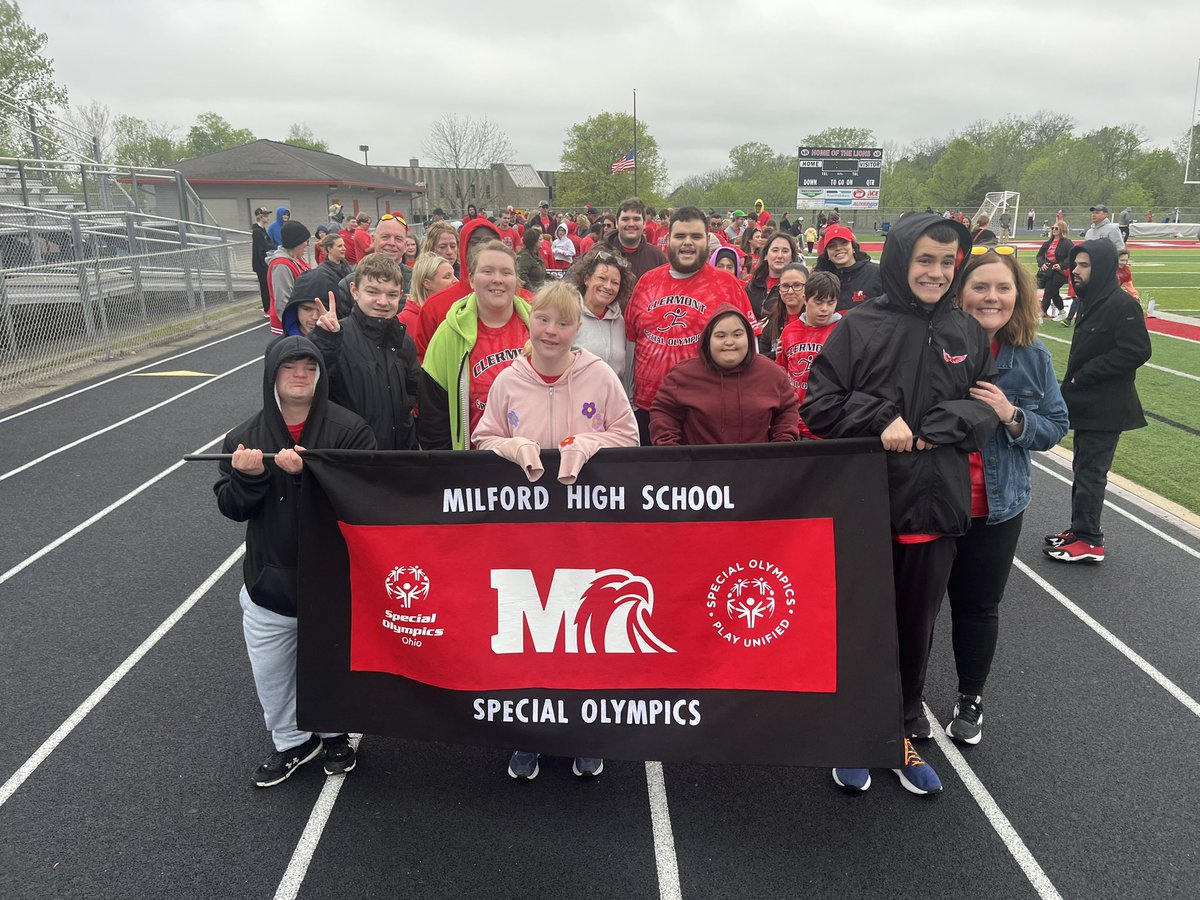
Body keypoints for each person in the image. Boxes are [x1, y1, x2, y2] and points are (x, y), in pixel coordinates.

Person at [803, 213, 998, 796]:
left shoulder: (968, 332)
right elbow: (818, 404)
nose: (937, 272)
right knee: (858, 625)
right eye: (925, 260)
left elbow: (988, 408)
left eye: (947, 262)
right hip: (864, 506)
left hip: (934, 508)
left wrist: (939, 424)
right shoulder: (858, 326)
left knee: (917, 628)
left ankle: (901, 728)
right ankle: (851, 730)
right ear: (900, 260)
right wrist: (879, 418)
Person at [472, 282, 638, 781]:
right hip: (523, 534)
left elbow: (629, 436)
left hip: (587, 532)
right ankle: (530, 737)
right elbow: (483, 437)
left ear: (576, 329)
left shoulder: (599, 374)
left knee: (583, 635)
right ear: (531, 321)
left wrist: (587, 443)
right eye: (544, 319)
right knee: (529, 637)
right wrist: (511, 446)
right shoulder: (507, 379)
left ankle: (584, 733)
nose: (552, 331)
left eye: (563, 323)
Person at [215, 335, 376, 787]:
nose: (300, 374)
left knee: (332, 663)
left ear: (321, 375)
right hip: (270, 585)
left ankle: (335, 732)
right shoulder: (244, 437)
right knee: (273, 674)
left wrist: (311, 476)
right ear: (273, 375)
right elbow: (232, 508)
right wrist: (250, 479)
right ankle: (291, 742)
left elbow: (364, 500)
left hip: (332, 582)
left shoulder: (351, 431)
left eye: (309, 366)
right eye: (290, 367)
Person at [944, 246, 1069, 743]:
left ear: (1018, 296)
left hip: (997, 507)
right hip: (934, 498)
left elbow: (1056, 426)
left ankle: (970, 696)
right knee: (916, 604)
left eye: (1003, 288)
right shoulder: (933, 346)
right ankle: (902, 699)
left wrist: (1011, 416)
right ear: (961, 294)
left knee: (977, 606)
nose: (991, 297)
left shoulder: (1032, 356)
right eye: (980, 287)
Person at [1044, 239, 1152, 564]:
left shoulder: (1121, 304)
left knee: (1091, 473)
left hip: (1107, 409)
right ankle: (1081, 529)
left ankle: (1090, 541)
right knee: (1083, 468)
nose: (1075, 271)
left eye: (1083, 265)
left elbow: (1137, 351)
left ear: (1102, 267)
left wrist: (1085, 374)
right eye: (1075, 265)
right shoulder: (1094, 300)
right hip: (1089, 406)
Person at [624, 207, 761, 444]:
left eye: (695, 236)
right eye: (680, 236)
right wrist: (628, 398)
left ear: (707, 240)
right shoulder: (647, 282)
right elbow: (630, 342)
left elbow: (751, 347)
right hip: (649, 407)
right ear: (669, 240)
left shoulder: (726, 284)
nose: (687, 243)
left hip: (708, 411)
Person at [419, 241, 531, 450]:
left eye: (506, 272)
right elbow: (433, 419)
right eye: (487, 271)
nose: (497, 279)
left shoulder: (537, 326)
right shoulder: (448, 334)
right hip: (475, 466)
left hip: (535, 460)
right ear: (471, 280)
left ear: (516, 280)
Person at [309, 253, 420, 450]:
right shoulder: (335, 336)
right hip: (353, 459)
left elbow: (414, 390)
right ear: (354, 290)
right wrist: (324, 340)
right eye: (373, 292)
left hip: (402, 457)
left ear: (401, 295)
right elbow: (313, 386)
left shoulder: (404, 341)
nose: (383, 302)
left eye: (392, 294)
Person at [651, 303, 798, 445]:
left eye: (737, 335)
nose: (729, 342)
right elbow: (664, 412)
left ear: (749, 338)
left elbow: (787, 412)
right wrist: (672, 452)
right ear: (707, 340)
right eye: (720, 336)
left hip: (756, 466)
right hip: (699, 467)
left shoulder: (772, 374)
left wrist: (780, 448)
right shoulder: (682, 375)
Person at [414, 218, 511, 360]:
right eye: (476, 242)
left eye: (491, 242)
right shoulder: (436, 306)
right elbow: (423, 359)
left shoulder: (522, 301)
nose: (484, 248)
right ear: (464, 248)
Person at [777, 270, 841, 439]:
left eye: (831, 302)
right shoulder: (790, 331)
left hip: (829, 424)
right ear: (805, 298)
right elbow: (781, 374)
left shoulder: (843, 330)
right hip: (795, 423)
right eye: (818, 302)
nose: (825, 309)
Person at [570, 248, 635, 378]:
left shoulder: (619, 321)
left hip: (611, 397)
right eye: (602, 278)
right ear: (587, 279)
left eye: (615, 283)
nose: (608, 286)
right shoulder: (569, 313)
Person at [596, 197, 667, 282]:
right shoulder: (599, 252)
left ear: (644, 223)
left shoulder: (657, 257)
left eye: (636, 219)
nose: (631, 224)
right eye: (625, 219)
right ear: (617, 223)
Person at [814, 224, 883, 311]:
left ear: (853, 247)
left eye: (844, 243)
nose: (838, 248)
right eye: (832, 246)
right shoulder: (822, 280)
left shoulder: (876, 273)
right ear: (827, 254)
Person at [266, 221, 311, 336]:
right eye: (305, 241)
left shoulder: (297, 259)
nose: (308, 244)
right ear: (296, 242)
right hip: (291, 327)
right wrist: (294, 331)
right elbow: (283, 301)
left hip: (302, 322)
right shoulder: (281, 265)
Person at [746, 231, 799, 322]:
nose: (779, 256)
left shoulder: (799, 287)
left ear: (792, 257)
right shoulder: (752, 286)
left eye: (785, 251)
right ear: (766, 255)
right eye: (775, 250)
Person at [758, 260, 807, 357]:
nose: (790, 291)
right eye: (785, 286)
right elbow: (760, 357)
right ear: (779, 289)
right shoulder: (771, 322)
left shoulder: (818, 319)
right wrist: (777, 355)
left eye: (797, 285)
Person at [400, 252, 457, 334]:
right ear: (427, 283)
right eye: (447, 277)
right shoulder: (403, 321)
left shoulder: (455, 314)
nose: (456, 281)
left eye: (454, 275)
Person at [1036, 221, 1074, 320]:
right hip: (1047, 271)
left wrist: (1061, 265)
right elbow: (1039, 256)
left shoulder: (1067, 243)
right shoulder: (1047, 243)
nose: (1053, 230)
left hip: (1059, 272)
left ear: (1062, 229)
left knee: (1049, 291)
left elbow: (1072, 256)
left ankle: (1041, 314)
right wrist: (1042, 263)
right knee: (1054, 293)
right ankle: (1062, 311)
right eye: (1053, 228)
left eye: (1056, 228)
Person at [252, 207, 276, 316]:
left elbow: (269, 244)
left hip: (265, 262)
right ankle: (267, 309)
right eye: (265, 216)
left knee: (269, 286)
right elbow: (262, 248)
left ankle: (269, 307)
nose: (267, 218)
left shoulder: (262, 230)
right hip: (261, 264)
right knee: (265, 287)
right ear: (260, 217)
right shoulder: (257, 232)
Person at [516, 227, 547, 291]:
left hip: (540, 289)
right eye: (540, 239)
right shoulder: (525, 256)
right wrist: (531, 291)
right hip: (530, 294)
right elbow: (522, 275)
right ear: (534, 242)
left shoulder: (537, 254)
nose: (543, 241)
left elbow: (543, 274)